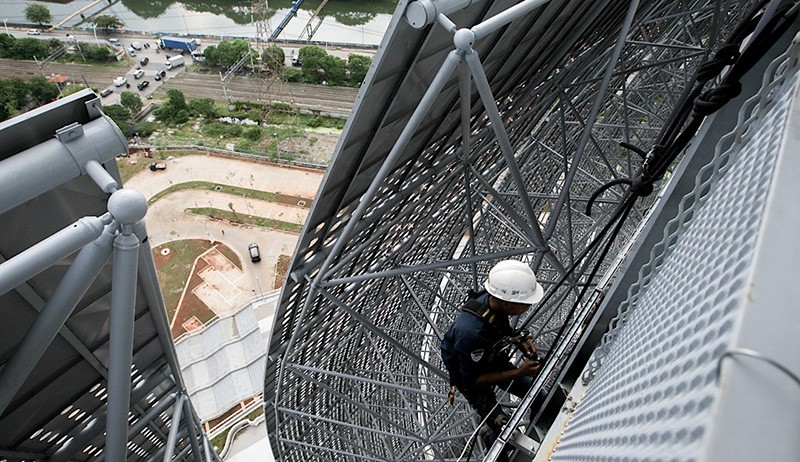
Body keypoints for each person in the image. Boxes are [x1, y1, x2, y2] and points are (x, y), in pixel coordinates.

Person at [441, 260, 544, 443]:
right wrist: (518, 372)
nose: (527, 308)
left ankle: (543, 425)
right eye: (523, 304)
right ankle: (491, 436)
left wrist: (520, 340)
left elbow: (497, 327)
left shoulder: (490, 300)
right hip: (472, 376)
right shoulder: (471, 334)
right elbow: (474, 380)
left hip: (490, 355)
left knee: (539, 395)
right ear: (505, 302)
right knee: (504, 431)